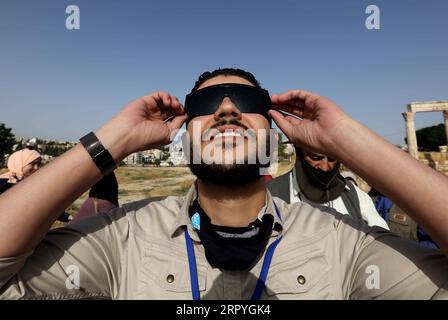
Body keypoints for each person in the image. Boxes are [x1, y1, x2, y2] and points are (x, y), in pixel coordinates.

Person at [0, 68, 448, 299]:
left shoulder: (341, 243)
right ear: (184, 129)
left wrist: (345, 138)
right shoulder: (126, 235)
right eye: (207, 103)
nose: (227, 109)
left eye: (248, 101)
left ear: (275, 129)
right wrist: (115, 141)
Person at [268, 148, 389, 229]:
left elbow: (382, 238)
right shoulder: (269, 194)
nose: (325, 167)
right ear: (300, 152)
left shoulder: (354, 195)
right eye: (316, 157)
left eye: (332, 159)